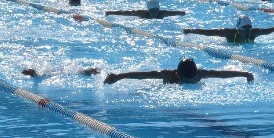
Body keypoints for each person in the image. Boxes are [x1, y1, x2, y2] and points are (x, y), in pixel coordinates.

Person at [103, 57, 254, 85]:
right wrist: (119, 76)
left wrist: (244, 74)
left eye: (191, 79)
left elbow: (222, 74)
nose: (189, 82)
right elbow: (144, 75)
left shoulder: (199, 74)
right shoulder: (169, 75)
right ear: (178, 74)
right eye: (186, 80)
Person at [183, 16, 274, 43]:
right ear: (238, 29)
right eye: (244, 30)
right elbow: (210, 32)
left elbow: (265, 31)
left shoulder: (253, 33)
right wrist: (191, 30)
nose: (247, 33)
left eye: (249, 30)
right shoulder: (229, 33)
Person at [106, 0, 186, 19]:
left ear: (159, 9)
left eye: (156, 10)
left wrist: (182, 13)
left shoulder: (163, 13)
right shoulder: (142, 13)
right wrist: (111, 12)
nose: (154, 13)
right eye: (152, 10)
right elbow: (125, 13)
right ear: (148, 10)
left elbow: (174, 12)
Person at [21, 65, 101, 78]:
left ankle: (97, 70)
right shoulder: (39, 75)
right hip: (65, 72)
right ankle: (97, 70)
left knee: (81, 72)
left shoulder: (38, 76)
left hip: (68, 72)